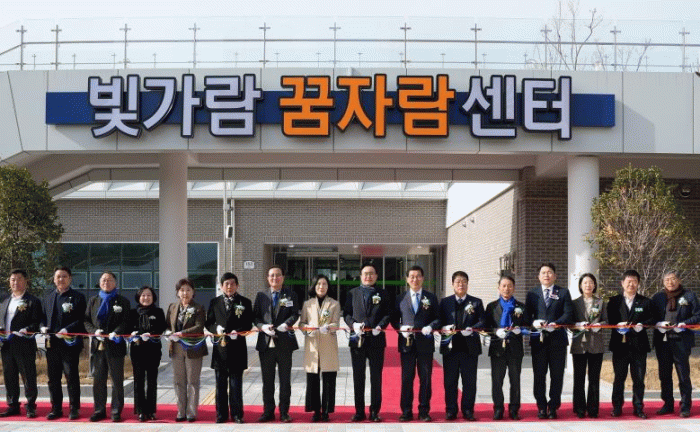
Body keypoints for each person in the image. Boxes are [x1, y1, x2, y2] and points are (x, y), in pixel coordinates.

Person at [343, 264, 391, 422]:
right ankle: (359, 411)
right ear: (360, 275)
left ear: (376, 276)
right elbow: (346, 313)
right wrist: (353, 324)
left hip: (377, 339)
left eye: (371, 273)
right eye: (365, 273)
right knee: (358, 377)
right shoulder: (352, 293)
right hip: (357, 339)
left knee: (376, 377)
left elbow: (388, 314)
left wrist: (381, 326)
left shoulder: (383, 293)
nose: (368, 276)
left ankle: (375, 411)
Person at [391, 265, 439, 422]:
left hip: (425, 344)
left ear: (423, 278)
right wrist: (400, 328)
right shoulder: (400, 298)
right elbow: (393, 319)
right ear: (406, 279)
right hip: (407, 344)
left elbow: (438, 318)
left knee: (425, 378)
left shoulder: (431, 297)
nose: (415, 279)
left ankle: (424, 411)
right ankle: (406, 411)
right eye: (411, 276)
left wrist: (430, 326)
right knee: (407, 378)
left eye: (418, 276)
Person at [525, 263, 572, 419]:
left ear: (555, 276)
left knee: (557, 375)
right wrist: (534, 322)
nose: (546, 275)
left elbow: (568, 313)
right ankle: (541, 406)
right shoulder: (532, 294)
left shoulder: (563, 292)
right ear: (538, 276)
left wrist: (556, 324)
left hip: (557, 340)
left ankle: (553, 406)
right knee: (539, 375)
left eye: (550, 272)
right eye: (543, 272)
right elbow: (527, 316)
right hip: (538, 341)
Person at [253, 265, 300, 423]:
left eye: (278, 275)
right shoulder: (261, 296)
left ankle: (284, 412)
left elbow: (295, 314)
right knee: (267, 381)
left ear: (283, 277)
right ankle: (268, 411)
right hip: (266, 344)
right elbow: (255, 317)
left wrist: (287, 324)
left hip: (284, 343)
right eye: (272, 275)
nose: (275, 278)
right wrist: (262, 327)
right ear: (268, 278)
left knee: (285, 380)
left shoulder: (290, 294)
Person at [205, 272, 253, 424]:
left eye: (232, 284)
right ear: (221, 286)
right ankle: (221, 414)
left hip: (237, 348)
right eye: (226, 284)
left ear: (237, 285)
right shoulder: (214, 302)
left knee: (235, 384)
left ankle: (237, 414)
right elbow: (209, 322)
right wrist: (216, 329)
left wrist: (237, 331)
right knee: (220, 384)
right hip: (220, 349)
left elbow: (248, 323)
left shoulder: (245, 302)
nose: (229, 286)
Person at [651, 270, 700, 418]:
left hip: (681, 340)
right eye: (667, 280)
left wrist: (685, 323)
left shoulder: (689, 296)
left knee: (683, 375)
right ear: (663, 282)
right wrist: (657, 323)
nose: (670, 282)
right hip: (663, 341)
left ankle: (685, 406)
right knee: (664, 374)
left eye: (673, 279)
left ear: (679, 280)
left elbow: (698, 315)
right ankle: (667, 404)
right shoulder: (658, 297)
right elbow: (650, 316)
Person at [84, 271, 131, 422]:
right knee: (98, 380)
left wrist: (117, 332)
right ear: (99, 282)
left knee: (116, 380)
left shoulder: (122, 301)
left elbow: (126, 321)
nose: (106, 282)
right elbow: (86, 320)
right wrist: (94, 331)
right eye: (103, 280)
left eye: (109, 280)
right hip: (97, 346)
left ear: (115, 283)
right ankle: (99, 410)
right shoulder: (93, 300)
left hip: (115, 346)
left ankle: (116, 411)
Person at [607, 269, 655, 419]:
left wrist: (642, 324)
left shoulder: (645, 301)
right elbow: (609, 319)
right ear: (622, 283)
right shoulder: (614, 301)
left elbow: (652, 318)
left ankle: (638, 408)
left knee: (639, 379)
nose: (631, 284)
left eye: (634, 281)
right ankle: (617, 407)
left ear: (638, 283)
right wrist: (617, 324)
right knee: (619, 378)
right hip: (620, 346)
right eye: (628, 281)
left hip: (638, 346)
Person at [41, 266, 87, 420]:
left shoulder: (78, 297)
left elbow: (82, 320)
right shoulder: (48, 297)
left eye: (64, 276)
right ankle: (56, 408)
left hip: (70, 343)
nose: (61, 279)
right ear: (54, 279)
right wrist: (42, 327)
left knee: (71, 376)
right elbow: (42, 317)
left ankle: (74, 408)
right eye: (58, 277)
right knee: (53, 378)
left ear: (70, 278)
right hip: (51, 343)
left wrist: (68, 329)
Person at [439, 270, 484, 421]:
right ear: (452, 284)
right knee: (450, 381)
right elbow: (438, 321)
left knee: (469, 382)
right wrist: (444, 328)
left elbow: (482, 321)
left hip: (469, 348)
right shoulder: (445, 302)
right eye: (458, 281)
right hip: (450, 348)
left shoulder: (476, 302)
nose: (461, 284)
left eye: (464, 281)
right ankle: (451, 410)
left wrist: (473, 328)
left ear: (467, 284)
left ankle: (468, 410)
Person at [483, 275, 530, 421]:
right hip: (497, 348)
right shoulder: (491, 307)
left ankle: (514, 409)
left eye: (509, 286)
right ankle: (498, 408)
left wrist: (520, 330)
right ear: (498, 288)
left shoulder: (521, 307)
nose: (506, 289)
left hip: (515, 348)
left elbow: (528, 325)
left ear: (514, 288)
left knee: (515, 381)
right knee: (497, 381)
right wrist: (495, 331)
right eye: (503, 286)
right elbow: (486, 326)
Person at [0, 269, 43, 418]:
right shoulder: (4, 301)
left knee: (28, 376)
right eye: (13, 279)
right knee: (9, 376)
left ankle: (30, 406)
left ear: (25, 281)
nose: (15, 282)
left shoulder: (33, 301)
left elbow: (37, 322)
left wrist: (27, 329)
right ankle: (12, 405)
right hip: (6, 345)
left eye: (19, 279)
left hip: (24, 344)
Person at [165, 278, 207, 422]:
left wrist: (182, 333)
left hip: (193, 347)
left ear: (193, 292)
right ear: (177, 292)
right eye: (182, 290)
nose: (185, 293)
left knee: (192, 380)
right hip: (176, 347)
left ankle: (191, 412)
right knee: (179, 380)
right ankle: (180, 411)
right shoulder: (172, 307)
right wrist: (168, 333)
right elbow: (167, 325)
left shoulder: (198, 308)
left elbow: (199, 326)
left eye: (188, 290)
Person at [299, 275, 341, 422]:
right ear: (314, 286)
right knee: (313, 380)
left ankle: (326, 411)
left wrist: (329, 327)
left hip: (328, 344)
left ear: (328, 287)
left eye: (324, 284)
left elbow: (337, 324)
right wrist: (307, 329)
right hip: (312, 346)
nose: (321, 287)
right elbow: (301, 323)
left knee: (329, 380)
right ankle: (316, 411)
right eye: (318, 284)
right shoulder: (307, 304)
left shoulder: (334, 304)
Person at [570, 273, 607, 419]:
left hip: (596, 344)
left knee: (594, 378)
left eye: (591, 282)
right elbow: (569, 323)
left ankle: (593, 409)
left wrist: (599, 325)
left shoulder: (600, 302)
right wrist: (578, 325)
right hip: (579, 345)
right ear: (580, 285)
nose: (588, 285)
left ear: (595, 285)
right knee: (579, 378)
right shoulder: (574, 303)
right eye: (585, 282)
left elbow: (606, 320)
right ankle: (579, 408)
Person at [128, 286, 166, 422]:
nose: (146, 298)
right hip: (137, 350)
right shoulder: (132, 312)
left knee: (152, 381)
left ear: (153, 297)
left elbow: (161, 327)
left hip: (153, 350)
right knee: (138, 381)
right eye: (143, 295)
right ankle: (140, 411)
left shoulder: (158, 311)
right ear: (138, 297)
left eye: (149, 295)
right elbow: (128, 328)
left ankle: (151, 410)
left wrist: (150, 334)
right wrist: (134, 334)